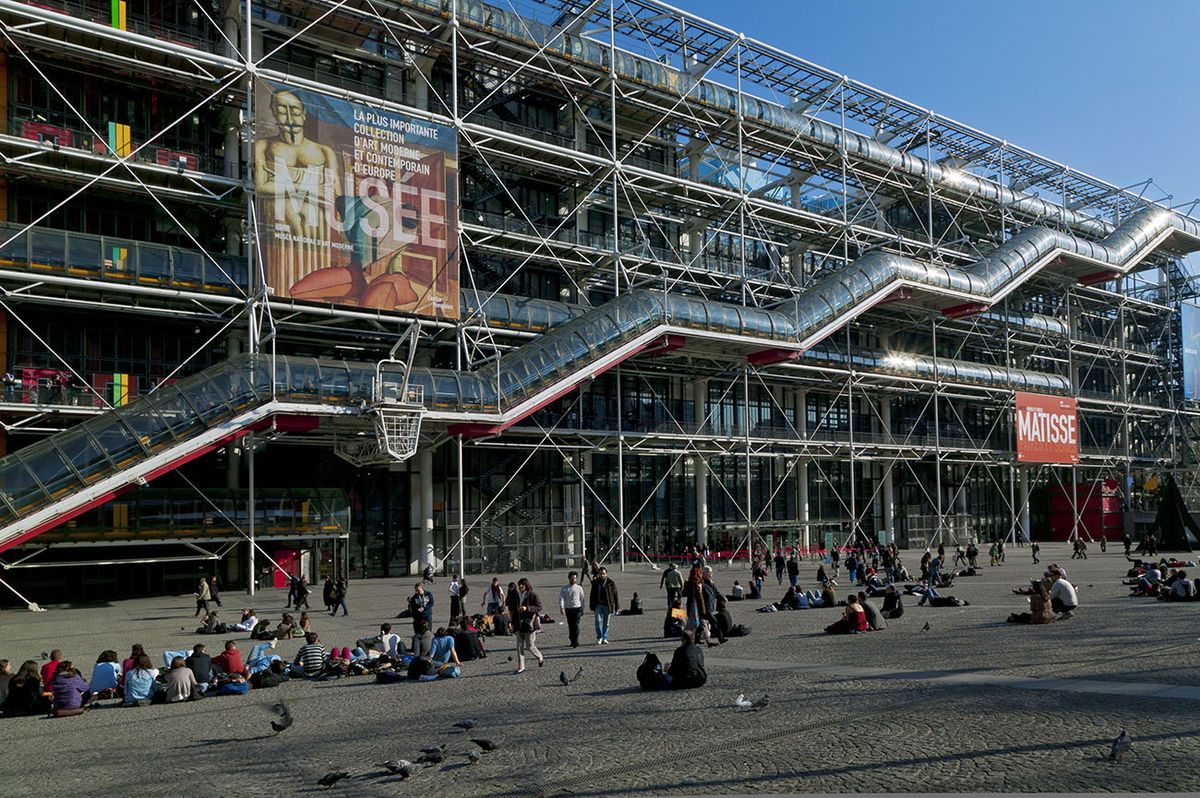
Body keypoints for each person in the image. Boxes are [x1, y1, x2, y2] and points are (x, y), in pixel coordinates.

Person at [512, 577, 545, 674]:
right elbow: (514, 611)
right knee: (519, 646)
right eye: (519, 585)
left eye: (522, 585)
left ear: (526, 585)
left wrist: (527, 608)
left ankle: (539, 656)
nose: (520, 587)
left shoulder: (532, 595)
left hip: (529, 624)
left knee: (530, 646)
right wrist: (512, 623)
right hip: (519, 624)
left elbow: (539, 607)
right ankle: (521, 667)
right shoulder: (517, 596)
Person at [589, 566, 619, 645]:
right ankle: (599, 637)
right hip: (598, 605)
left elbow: (615, 595)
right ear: (598, 574)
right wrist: (591, 606)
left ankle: (605, 637)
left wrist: (617, 607)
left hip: (608, 605)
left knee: (606, 623)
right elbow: (592, 595)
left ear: (606, 574)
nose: (602, 575)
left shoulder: (611, 583)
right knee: (598, 621)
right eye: (600, 574)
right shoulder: (595, 583)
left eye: (603, 574)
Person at [558, 570, 586, 648]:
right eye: (572, 578)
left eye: (575, 578)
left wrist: (582, 609)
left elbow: (582, 599)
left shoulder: (579, 588)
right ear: (569, 578)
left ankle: (576, 640)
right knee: (570, 626)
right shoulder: (565, 588)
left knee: (576, 625)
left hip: (577, 609)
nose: (573, 580)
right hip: (569, 609)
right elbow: (561, 598)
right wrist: (561, 607)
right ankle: (572, 640)